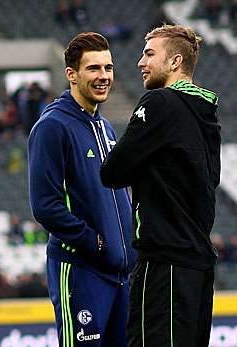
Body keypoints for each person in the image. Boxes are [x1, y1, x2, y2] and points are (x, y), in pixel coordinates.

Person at [100, 24, 221, 347]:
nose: (141, 62)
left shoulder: (159, 103)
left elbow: (112, 171)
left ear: (175, 62)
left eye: (149, 54)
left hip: (164, 261)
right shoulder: (206, 113)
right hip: (197, 264)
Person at [28, 32, 135, 346]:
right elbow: (45, 205)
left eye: (108, 68)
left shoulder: (105, 126)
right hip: (81, 271)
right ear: (71, 75)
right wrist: (95, 242)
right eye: (94, 69)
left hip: (120, 274)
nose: (103, 76)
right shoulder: (52, 126)